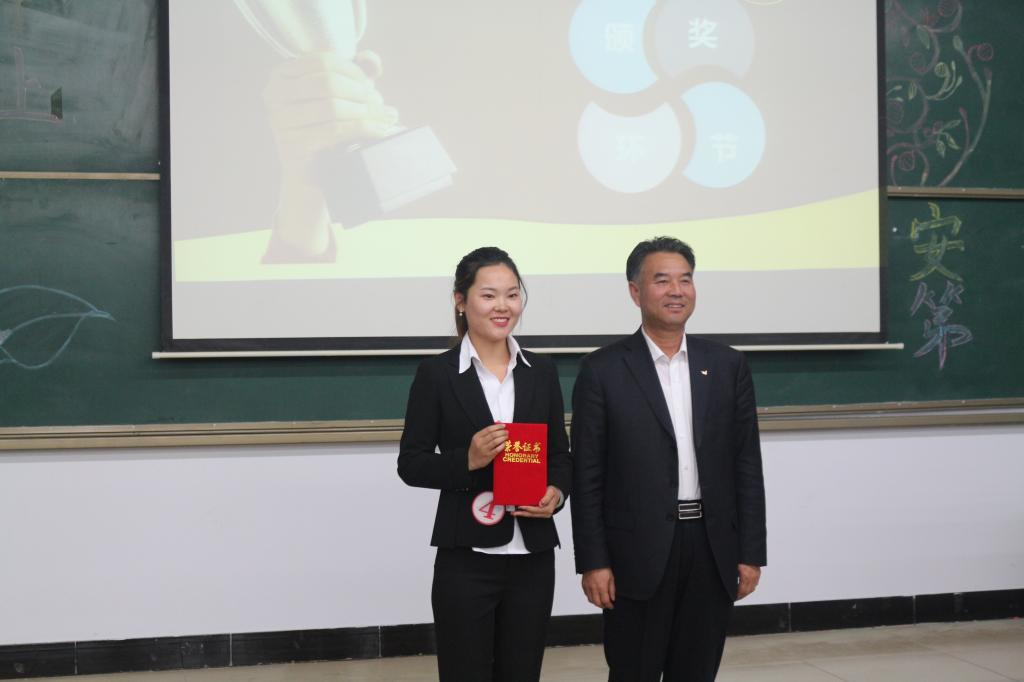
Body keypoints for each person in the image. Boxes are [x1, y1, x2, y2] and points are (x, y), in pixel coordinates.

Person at [570, 237, 767, 682]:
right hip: (634, 552)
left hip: (710, 547)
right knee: (633, 671)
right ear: (635, 292)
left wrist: (750, 552)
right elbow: (587, 476)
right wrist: (594, 561)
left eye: (685, 280)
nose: (676, 291)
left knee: (696, 671)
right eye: (662, 281)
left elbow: (746, 466)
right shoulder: (602, 370)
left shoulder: (728, 365)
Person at [398, 246, 572, 681]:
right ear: (461, 300)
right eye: (489, 295)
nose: (503, 306)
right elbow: (412, 464)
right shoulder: (437, 374)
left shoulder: (541, 371)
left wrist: (556, 493)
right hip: (466, 557)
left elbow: (560, 456)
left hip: (532, 554)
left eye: (512, 295)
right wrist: (468, 460)